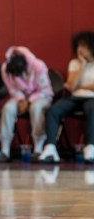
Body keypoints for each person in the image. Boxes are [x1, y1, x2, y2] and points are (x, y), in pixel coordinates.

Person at [39, 31, 94, 163]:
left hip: (91, 98)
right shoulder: (75, 63)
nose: (80, 49)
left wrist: (83, 87)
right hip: (75, 97)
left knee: (92, 109)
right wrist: (82, 66)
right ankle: (50, 147)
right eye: (79, 46)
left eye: (84, 46)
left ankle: (90, 147)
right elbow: (72, 87)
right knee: (53, 110)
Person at [0, 46, 52, 162]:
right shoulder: (5, 68)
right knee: (8, 108)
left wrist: (29, 101)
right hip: (20, 96)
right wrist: (21, 100)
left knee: (36, 108)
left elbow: (44, 90)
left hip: (41, 95)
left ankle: (38, 149)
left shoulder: (38, 66)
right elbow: (12, 88)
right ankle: (5, 150)